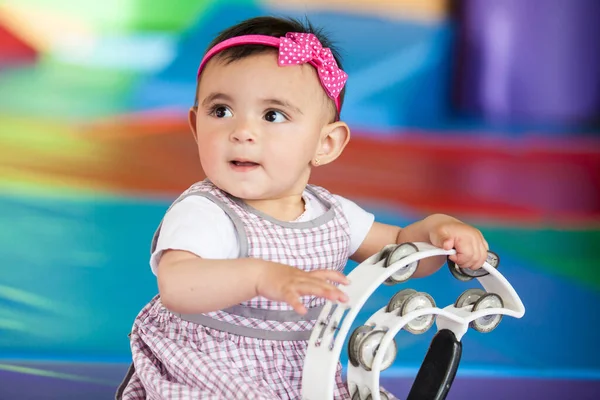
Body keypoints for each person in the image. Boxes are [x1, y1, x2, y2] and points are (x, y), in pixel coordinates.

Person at [116, 15, 490, 400]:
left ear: (325, 144)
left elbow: (400, 253)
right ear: (195, 127)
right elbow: (178, 285)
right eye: (221, 111)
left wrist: (435, 232)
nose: (242, 131)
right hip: (211, 366)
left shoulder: (332, 213)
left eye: (273, 115)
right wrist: (260, 277)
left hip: (305, 369)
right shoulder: (207, 211)